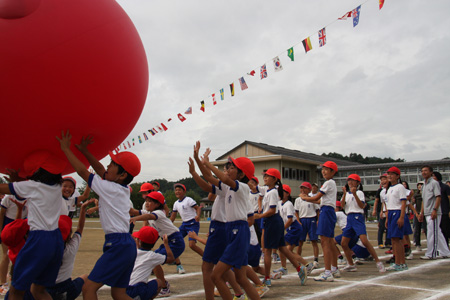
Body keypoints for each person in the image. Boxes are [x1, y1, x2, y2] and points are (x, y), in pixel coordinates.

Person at [58, 131, 140, 300]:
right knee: (119, 293)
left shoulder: (110, 188)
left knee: (88, 288)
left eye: (113, 164)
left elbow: (82, 171)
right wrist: (85, 150)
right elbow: (101, 170)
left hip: (118, 245)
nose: (108, 166)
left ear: (122, 175)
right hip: (124, 245)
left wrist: (66, 149)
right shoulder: (119, 188)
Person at [0, 149, 66, 300]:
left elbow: (8, 189)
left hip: (39, 240)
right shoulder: (56, 187)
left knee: (16, 291)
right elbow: (32, 189)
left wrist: (17, 181)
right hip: (55, 240)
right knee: (39, 290)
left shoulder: (32, 186)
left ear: (36, 172)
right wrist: (19, 181)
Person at [201, 151, 261, 300]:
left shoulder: (242, 186)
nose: (227, 169)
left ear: (241, 174)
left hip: (238, 231)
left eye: (232, 167)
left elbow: (221, 178)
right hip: (232, 230)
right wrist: (200, 164)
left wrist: (209, 164)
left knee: (216, 275)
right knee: (241, 278)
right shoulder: (228, 188)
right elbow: (209, 179)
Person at [254, 168, 308, 287]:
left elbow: (272, 210)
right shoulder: (268, 190)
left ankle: (267, 278)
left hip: (272, 221)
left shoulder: (273, 192)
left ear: (275, 179)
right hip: (274, 222)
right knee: (283, 249)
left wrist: (260, 215)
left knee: (267, 250)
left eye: (268, 176)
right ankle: (300, 269)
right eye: (265, 176)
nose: (265, 178)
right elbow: (254, 186)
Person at [130, 192, 185, 297]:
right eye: (146, 201)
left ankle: (164, 287)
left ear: (157, 204)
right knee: (153, 260)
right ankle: (164, 284)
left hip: (175, 241)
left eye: (150, 201)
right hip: (168, 241)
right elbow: (133, 211)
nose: (147, 203)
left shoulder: (159, 212)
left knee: (154, 261)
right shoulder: (149, 211)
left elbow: (149, 216)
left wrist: (135, 218)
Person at [46, 200, 93, 300]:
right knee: (86, 277)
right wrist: (83, 209)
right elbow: (80, 228)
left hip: (44, 290)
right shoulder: (70, 248)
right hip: (66, 289)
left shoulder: (44, 247)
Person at [300, 161, 339, 282]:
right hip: (328, 210)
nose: (323, 171)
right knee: (329, 241)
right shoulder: (331, 184)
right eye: (323, 169)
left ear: (332, 172)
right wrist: (308, 200)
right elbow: (319, 201)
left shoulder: (328, 183)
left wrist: (304, 198)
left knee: (324, 242)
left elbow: (317, 197)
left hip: (326, 212)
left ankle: (327, 272)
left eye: (326, 169)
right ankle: (334, 268)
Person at [339, 174, 385, 273]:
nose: (350, 182)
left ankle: (378, 262)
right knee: (344, 243)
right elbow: (342, 206)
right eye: (349, 180)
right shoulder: (346, 194)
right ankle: (350, 264)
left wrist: (354, 194)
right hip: (349, 218)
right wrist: (344, 194)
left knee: (364, 241)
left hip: (357, 217)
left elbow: (361, 206)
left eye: (353, 180)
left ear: (358, 183)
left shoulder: (359, 193)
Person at [127, 226, 175, 300]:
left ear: (139, 242)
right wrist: (166, 244)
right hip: (139, 289)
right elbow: (171, 259)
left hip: (124, 290)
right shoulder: (152, 256)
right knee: (159, 282)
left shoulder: (132, 252)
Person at [276, 184, 313, 277]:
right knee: (283, 249)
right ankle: (284, 267)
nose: (280, 193)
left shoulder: (288, 204)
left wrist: (282, 229)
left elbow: (290, 219)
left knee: (286, 250)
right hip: (291, 228)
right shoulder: (280, 203)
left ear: (287, 194)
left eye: (283, 192)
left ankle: (307, 264)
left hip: (294, 228)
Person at [170, 183, 203, 274]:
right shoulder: (176, 203)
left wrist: (198, 216)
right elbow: (173, 216)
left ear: (184, 191)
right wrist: (168, 225)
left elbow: (198, 208)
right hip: (184, 225)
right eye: (176, 190)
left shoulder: (188, 200)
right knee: (174, 241)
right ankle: (179, 265)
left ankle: (208, 259)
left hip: (192, 223)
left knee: (192, 245)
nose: (177, 191)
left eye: (179, 190)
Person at [419, 166, 450, 259]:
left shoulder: (434, 183)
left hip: (433, 212)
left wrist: (435, 210)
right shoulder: (424, 185)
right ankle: (445, 252)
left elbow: (438, 197)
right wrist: (421, 213)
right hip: (427, 212)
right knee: (437, 232)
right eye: (422, 171)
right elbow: (424, 200)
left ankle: (431, 253)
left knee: (432, 233)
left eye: (426, 171)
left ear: (431, 172)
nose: (423, 172)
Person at [0, 194, 28, 295]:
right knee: (6, 254)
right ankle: (3, 283)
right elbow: (2, 213)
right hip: (8, 226)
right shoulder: (9, 197)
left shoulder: (30, 196)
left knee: (20, 255)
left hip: (21, 225)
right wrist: (1, 230)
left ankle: (16, 280)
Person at [385, 167, 408, 271]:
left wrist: (401, 217)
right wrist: (386, 218)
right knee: (393, 240)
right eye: (388, 174)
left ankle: (401, 263)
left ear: (398, 176)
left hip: (397, 212)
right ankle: (398, 262)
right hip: (390, 213)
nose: (389, 176)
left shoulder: (400, 187)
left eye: (392, 174)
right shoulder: (389, 188)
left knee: (397, 239)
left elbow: (403, 203)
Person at [294, 182, 320, 267]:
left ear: (309, 190)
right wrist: (298, 221)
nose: (302, 190)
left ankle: (316, 259)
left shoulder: (312, 198)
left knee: (314, 240)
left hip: (311, 219)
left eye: (304, 188)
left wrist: (317, 220)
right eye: (301, 188)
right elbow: (296, 212)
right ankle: (298, 259)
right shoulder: (298, 200)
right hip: (302, 220)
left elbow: (317, 210)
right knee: (300, 241)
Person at [432, 172, 450, 247]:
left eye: (433, 176)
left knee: (445, 230)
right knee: (437, 230)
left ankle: (445, 246)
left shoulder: (445, 187)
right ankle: (441, 246)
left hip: (444, 211)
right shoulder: (431, 186)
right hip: (435, 211)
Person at [375, 174, 391, 249]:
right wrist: (381, 211)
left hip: (390, 211)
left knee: (388, 227)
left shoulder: (391, 189)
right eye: (381, 180)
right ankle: (380, 242)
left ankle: (388, 242)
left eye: (384, 179)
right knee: (381, 227)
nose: (383, 181)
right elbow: (382, 202)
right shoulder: (381, 191)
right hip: (384, 211)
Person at [412, 181, 426, 252]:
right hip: (417, 213)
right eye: (419, 185)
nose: (420, 186)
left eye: (421, 185)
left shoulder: (425, 194)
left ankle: (430, 244)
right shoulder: (416, 195)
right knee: (417, 229)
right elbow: (412, 204)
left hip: (425, 213)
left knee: (426, 229)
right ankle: (417, 244)